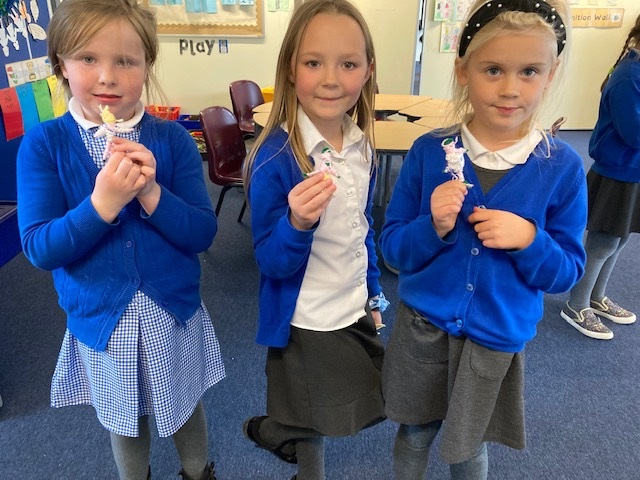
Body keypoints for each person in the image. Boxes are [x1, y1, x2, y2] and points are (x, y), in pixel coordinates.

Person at [16, 1, 224, 479]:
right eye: (88, 58)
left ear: (147, 66)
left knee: (185, 404)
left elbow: (202, 231)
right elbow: (41, 247)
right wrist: (101, 204)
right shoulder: (45, 144)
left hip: (173, 313)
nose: (107, 76)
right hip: (102, 322)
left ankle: (198, 473)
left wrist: (151, 193)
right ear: (61, 66)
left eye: (126, 61)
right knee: (125, 421)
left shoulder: (172, 140)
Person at [379, 1, 586, 478]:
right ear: (463, 71)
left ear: (551, 75)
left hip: (494, 338)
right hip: (423, 329)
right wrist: (432, 226)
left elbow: (566, 274)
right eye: (493, 70)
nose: (510, 88)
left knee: (468, 446)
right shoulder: (429, 152)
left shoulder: (562, 167)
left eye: (529, 71)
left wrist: (530, 239)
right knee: (414, 434)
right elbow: (392, 248)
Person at [241, 1, 387, 478]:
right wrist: (298, 224)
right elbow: (271, 262)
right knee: (316, 421)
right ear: (290, 68)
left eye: (348, 64)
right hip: (307, 317)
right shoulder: (274, 159)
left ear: (368, 70)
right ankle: (291, 444)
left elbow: (362, 230)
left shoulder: (362, 147)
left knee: (359, 396)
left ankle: (275, 428)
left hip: (351, 304)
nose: (330, 79)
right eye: (313, 62)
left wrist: (374, 292)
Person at [560, 14, 640, 340]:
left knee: (621, 239)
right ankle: (576, 305)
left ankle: (596, 296)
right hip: (617, 173)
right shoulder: (628, 77)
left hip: (633, 172)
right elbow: (633, 133)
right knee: (603, 241)